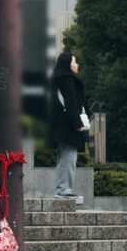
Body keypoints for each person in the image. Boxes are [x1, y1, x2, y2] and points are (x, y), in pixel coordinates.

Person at [47, 51, 87, 203]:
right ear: (68, 64)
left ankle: (63, 189)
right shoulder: (68, 80)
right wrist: (78, 124)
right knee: (68, 159)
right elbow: (71, 104)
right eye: (74, 62)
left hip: (62, 125)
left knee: (65, 158)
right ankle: (64, 190)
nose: (77, 65)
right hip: (68, 126)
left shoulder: (60, 80)